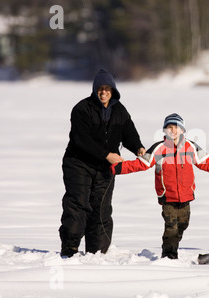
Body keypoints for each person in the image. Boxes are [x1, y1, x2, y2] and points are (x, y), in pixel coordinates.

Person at [111, 113, 209, 259]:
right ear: (164, 131)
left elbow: (206, 161)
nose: (173, 130)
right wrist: (117, 168)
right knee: (171, 227)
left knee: (183, 224)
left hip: (186, 195)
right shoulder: (159, 149)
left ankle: (173, 245)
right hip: (167, 196)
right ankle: (169, 255)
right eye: (169, 127)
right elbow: (141, 164)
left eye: (176, 127)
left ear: (182, 130)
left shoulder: (190, 147)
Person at [60, 68, 146, 258]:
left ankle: (97, 253)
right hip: (78, 163)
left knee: (101, 209)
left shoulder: (120, 111)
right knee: (78, 204)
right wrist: (107, 154)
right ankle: (70, 249)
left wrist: (138, 148)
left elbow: (128, 132)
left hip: (105, 169)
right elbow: (81, 139)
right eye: (100, 88)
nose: (104, 92)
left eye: (108, 88)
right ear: (95, 89)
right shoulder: (82, 109)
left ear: (113, 90)